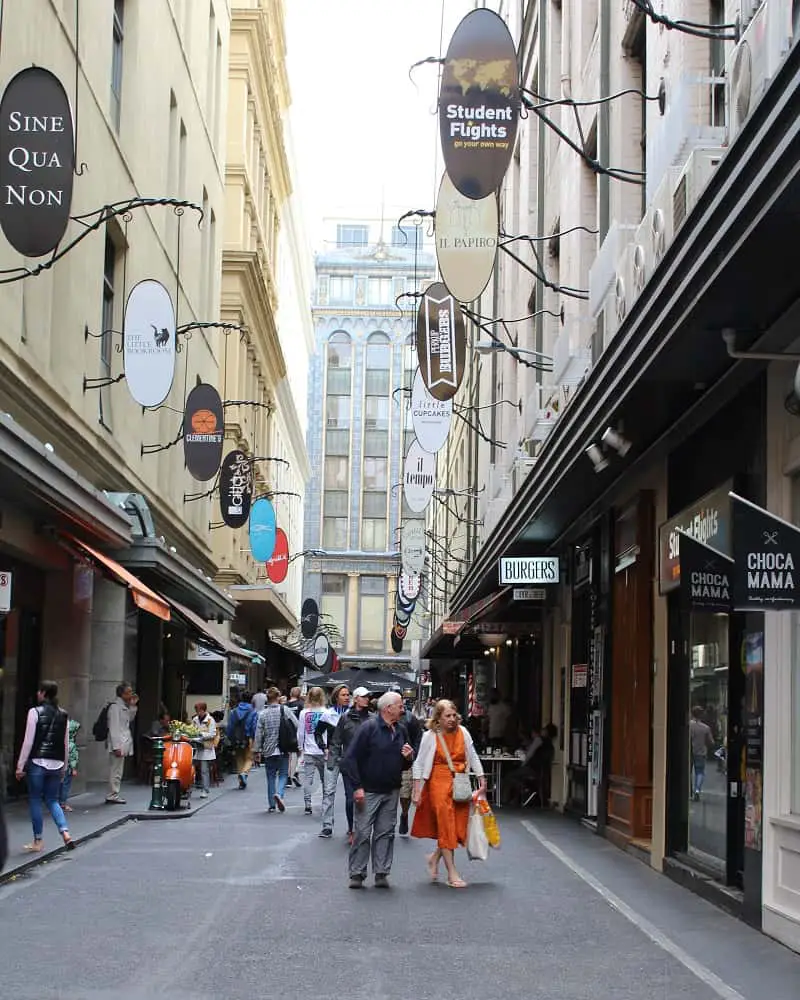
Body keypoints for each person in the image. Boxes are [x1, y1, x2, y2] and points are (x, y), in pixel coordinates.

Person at [341, 691, 414, 889]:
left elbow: (405, 764)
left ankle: (381, 872)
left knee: (386, 832)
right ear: (387, 708)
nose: (403, 708)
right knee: (363, 832)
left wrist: (408, 758)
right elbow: (350, 759)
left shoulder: (401, 730)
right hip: (369, 789)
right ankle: (357, 873)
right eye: (399, 705)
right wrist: (357, 787)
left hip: (391, 789)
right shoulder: (369, 728)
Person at [411, 699, 485, 889]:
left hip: (459, 783)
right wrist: (417, 788)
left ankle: (434, 858)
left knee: (457, 829)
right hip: (438, 782)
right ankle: (452, 873)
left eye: (454, 715)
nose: (452, 719)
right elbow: (419, 763)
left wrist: (481, 777)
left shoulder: (464, 732)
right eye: (447, 716)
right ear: (438, 718)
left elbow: (472, 754)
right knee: (446, 826)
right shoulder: (430, 736)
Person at [15, 681, 75, 852]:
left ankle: (38, 840)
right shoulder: (64, 715)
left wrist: (20, 766)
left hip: (37, 762)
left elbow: (28, 742)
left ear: (42, 693)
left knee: (35, 799)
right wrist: (64, 767)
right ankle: (65, 832)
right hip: (56, 763)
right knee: (52, 800)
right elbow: (65, 743)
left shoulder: (34, 712)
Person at [330, 686, 371, 845]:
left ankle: (362, 828)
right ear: (356, 699)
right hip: (349, 764)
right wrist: (333, 761)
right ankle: (352, 829)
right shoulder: (345, 718)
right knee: (350, 799)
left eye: (368, 696)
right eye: (363, 696)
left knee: (365, 799)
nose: (367, 699)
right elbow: (336, 740)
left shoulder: (372, 718)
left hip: (368, 765)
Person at [253, 686, 299, 812]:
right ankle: (279, 793)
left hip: (268, 749)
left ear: (267, 699)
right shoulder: (285, 710)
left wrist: (256, 751)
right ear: (278, 697)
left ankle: (272, 805)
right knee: (284, 774)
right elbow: (297, 725)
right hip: (283, 747)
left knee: (271, 776)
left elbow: (258, 734)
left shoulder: (262, 714)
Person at [316, 683, 351, 839]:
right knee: (329, 791)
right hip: (332, 756)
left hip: (349, 757)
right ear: (336, 697)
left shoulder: (352, 714)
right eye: (343, 695)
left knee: (351, 794)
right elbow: (317, 732)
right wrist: (324, 747)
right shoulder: (328, 714)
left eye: (348, 694)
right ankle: (327, 825)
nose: (346, 697)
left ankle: (352, 826)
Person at [503, 724, 557, 806]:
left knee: (509, 776)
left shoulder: (539, 740)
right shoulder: (551, 745)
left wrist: (523, 764)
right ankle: (518, 796)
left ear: (546, 731)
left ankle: (509, 798)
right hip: (541, 772)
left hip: (532, 769)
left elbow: (529, 754)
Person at [395, 690, 422, 837]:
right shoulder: (383, 718)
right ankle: (389, 820)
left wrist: (413, 755)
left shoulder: (410, 719)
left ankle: (404, 814)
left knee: (405, 794)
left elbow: (418, 739)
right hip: (389, 762)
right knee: (389, 794)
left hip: (406, 761)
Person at [106, 681, 139, 805]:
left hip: (123, 742)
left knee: (118, 771)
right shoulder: (115, 707)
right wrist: (116, 746)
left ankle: (114, 793)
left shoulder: (123, 706)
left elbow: (129, 719)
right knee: (115, 771)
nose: (131, 694)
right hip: (118, 743)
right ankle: (112, 794)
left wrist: (132, 706)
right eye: (129, 692)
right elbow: (113, 728)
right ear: (122, 694)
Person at [297, 687, 327, 815]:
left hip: (309, 750)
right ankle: (326, 802)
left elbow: (301, 733)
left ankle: (307, 804)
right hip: (323, 750)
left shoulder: (304, 713)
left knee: (308, 779)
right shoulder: (326, 712)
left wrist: (300, 747)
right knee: (325, 779)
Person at [227, 692, 257, 789]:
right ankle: (244, 774)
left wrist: (231, 738)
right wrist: (254, 739)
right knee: (249, 759)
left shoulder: (234, 711)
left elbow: (230, 727)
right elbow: (254, 727)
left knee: (239, 759)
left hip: (236, 739)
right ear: (251, 700)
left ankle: (241, 782)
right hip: (248, 738)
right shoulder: (253, 711)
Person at [192, 702, 217, 799]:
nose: (198, 713)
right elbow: (192, 730)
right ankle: (189, 788)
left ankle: (205, 789)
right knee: (192, 768)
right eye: (197, 711)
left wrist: (201, 735)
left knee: (204, 770)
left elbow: (212, 734)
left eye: (199, 711)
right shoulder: (195, 719)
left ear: (203, 710)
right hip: (196, 746)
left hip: (206, 747)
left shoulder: (210, 720)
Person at [690, 705, 715, 800]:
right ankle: (697, 790)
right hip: (701, 752)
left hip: (690, 751)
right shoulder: (706, 728)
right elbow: (711, 742)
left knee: (689, 772)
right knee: (699, 772)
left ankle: (689, 791)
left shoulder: (689, 725)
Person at [59, 718, 81, 812]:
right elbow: (72, 758)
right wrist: (74, 768)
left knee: (60, 785)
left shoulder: (62, 741)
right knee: (66, 785)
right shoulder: (71, 744)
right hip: (68, 768)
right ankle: (63, 803)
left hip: (60, 766)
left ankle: (59, 802)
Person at [286, 686, 304, 788]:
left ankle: (289, 776)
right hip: (297, 731)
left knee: (289, 755)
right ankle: (295, 772)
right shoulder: (301, 705)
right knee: (299, 753)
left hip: (287, 732)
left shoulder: (285, 705)